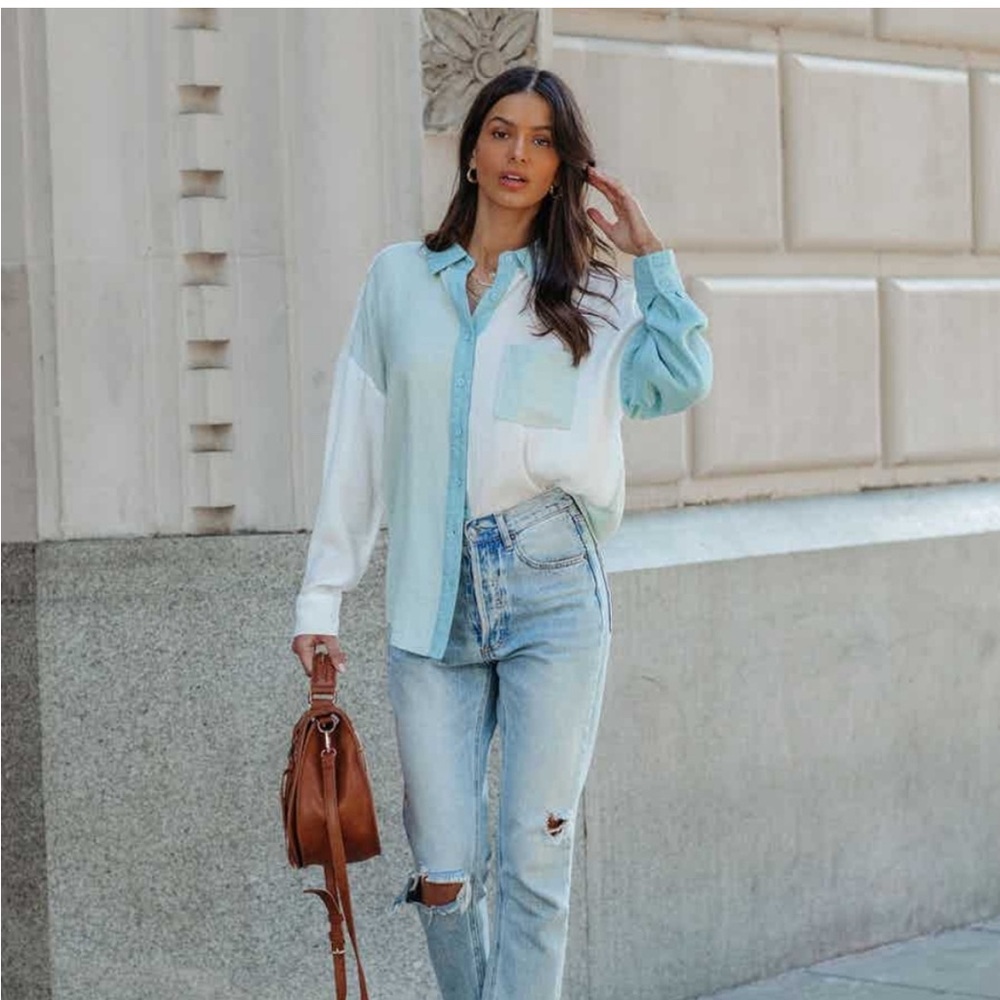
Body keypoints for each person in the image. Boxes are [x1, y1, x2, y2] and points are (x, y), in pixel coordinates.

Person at [291, 65, 712, 1000]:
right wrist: (324, 590)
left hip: (553, 586)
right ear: (472, 150)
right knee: (444, 876)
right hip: (429, 601)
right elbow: (357, 441)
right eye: (502, 132)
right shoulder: (398, 280)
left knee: (533, 864)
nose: (519, 153)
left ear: (565, 165)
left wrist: (653, 260)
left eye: (543, 139)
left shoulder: (598, 299)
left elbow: (677, 381)